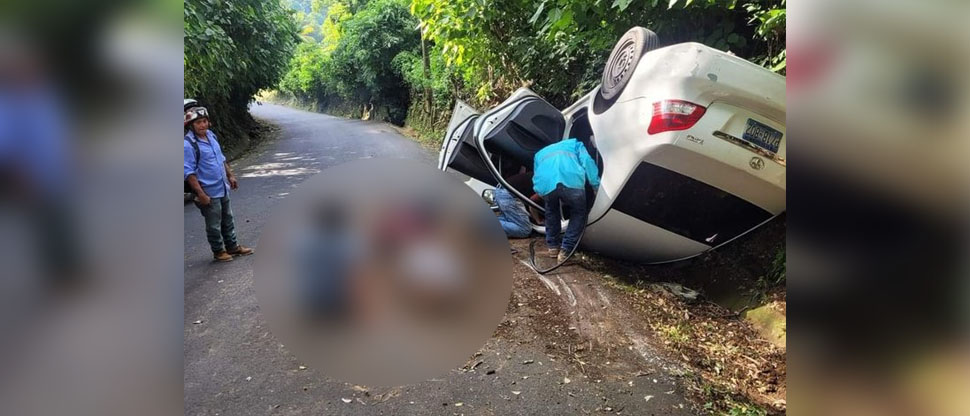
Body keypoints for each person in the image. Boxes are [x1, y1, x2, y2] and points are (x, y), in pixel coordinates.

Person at [184, 106, 253, 262]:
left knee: (228, 219)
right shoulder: (188, 145)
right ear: (191, 126)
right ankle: (218, 251)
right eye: (198, 123)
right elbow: (189, 173)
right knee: (214, 224)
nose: (203, 125)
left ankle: (232, 246)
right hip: (207, 191)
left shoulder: (211, 136)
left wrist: (230, 175)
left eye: (204, 121)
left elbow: (221, 158)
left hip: (222, 187)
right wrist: (200, 194)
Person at [532, 138, 600, 263]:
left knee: (551, 211)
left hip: (547, 185)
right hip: (571, 181)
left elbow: (536, 174)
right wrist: (595, 185)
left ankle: (553, 247)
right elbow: (587, 161)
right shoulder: (576, 144)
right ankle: (566, 251)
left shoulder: (540, 153)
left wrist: (540, 190)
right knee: (579, 213)